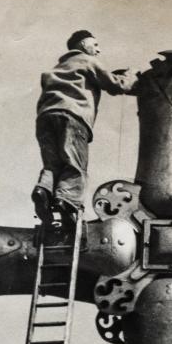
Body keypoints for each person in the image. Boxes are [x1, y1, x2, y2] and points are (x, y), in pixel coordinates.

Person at [31, 30, 137, 230]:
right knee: (75, 164)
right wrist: (131, 76)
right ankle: (67, 201)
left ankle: (43, 190)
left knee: (52, 164)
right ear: (83, 45)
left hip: (46, 117)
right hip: (73, 117)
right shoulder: (88, 61)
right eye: (95, 45)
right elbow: (116, 85)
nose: (99, 50)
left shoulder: (57, 69)